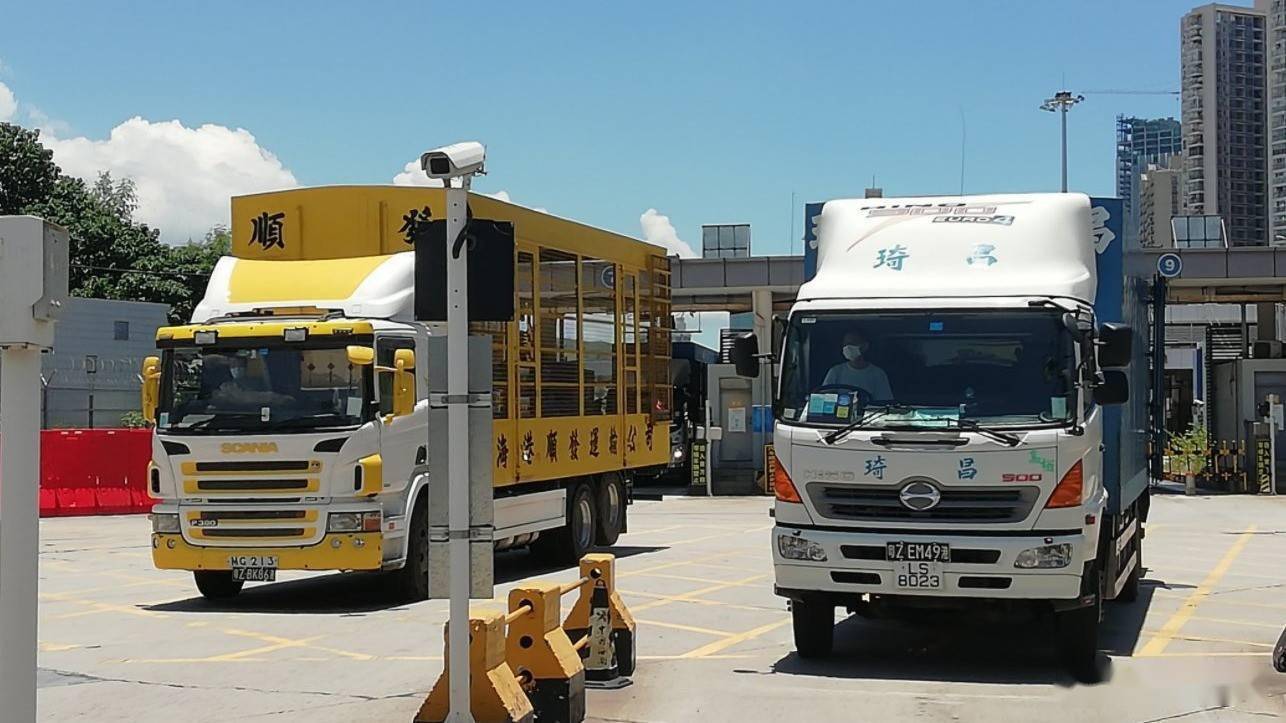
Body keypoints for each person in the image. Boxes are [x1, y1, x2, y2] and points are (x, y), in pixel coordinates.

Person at [822, 330, 893, 401]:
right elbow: (825, 399)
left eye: (852, 343)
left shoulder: (878, 374)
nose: (847, 347)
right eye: (845, 344)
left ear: (865, 346)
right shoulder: (835, 372)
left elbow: (884, 402)